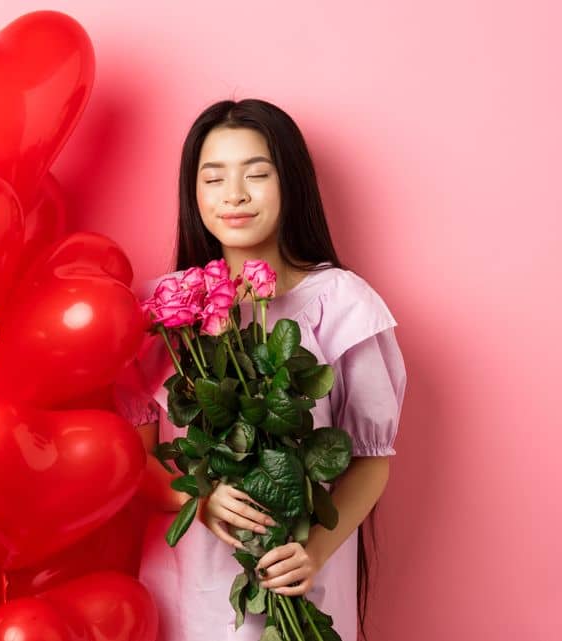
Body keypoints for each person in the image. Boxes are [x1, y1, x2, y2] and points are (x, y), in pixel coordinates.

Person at [113, 99, 407, 641]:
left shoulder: (340, 303)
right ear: (193, 192)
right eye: (213, 178)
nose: (235, 195)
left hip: (299, 579)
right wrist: (197, 502)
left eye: (256, 174)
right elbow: (137, 453)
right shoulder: (164, 310)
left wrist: (312, 554)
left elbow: (370, 459)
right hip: (188, 586)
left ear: (289, 183)